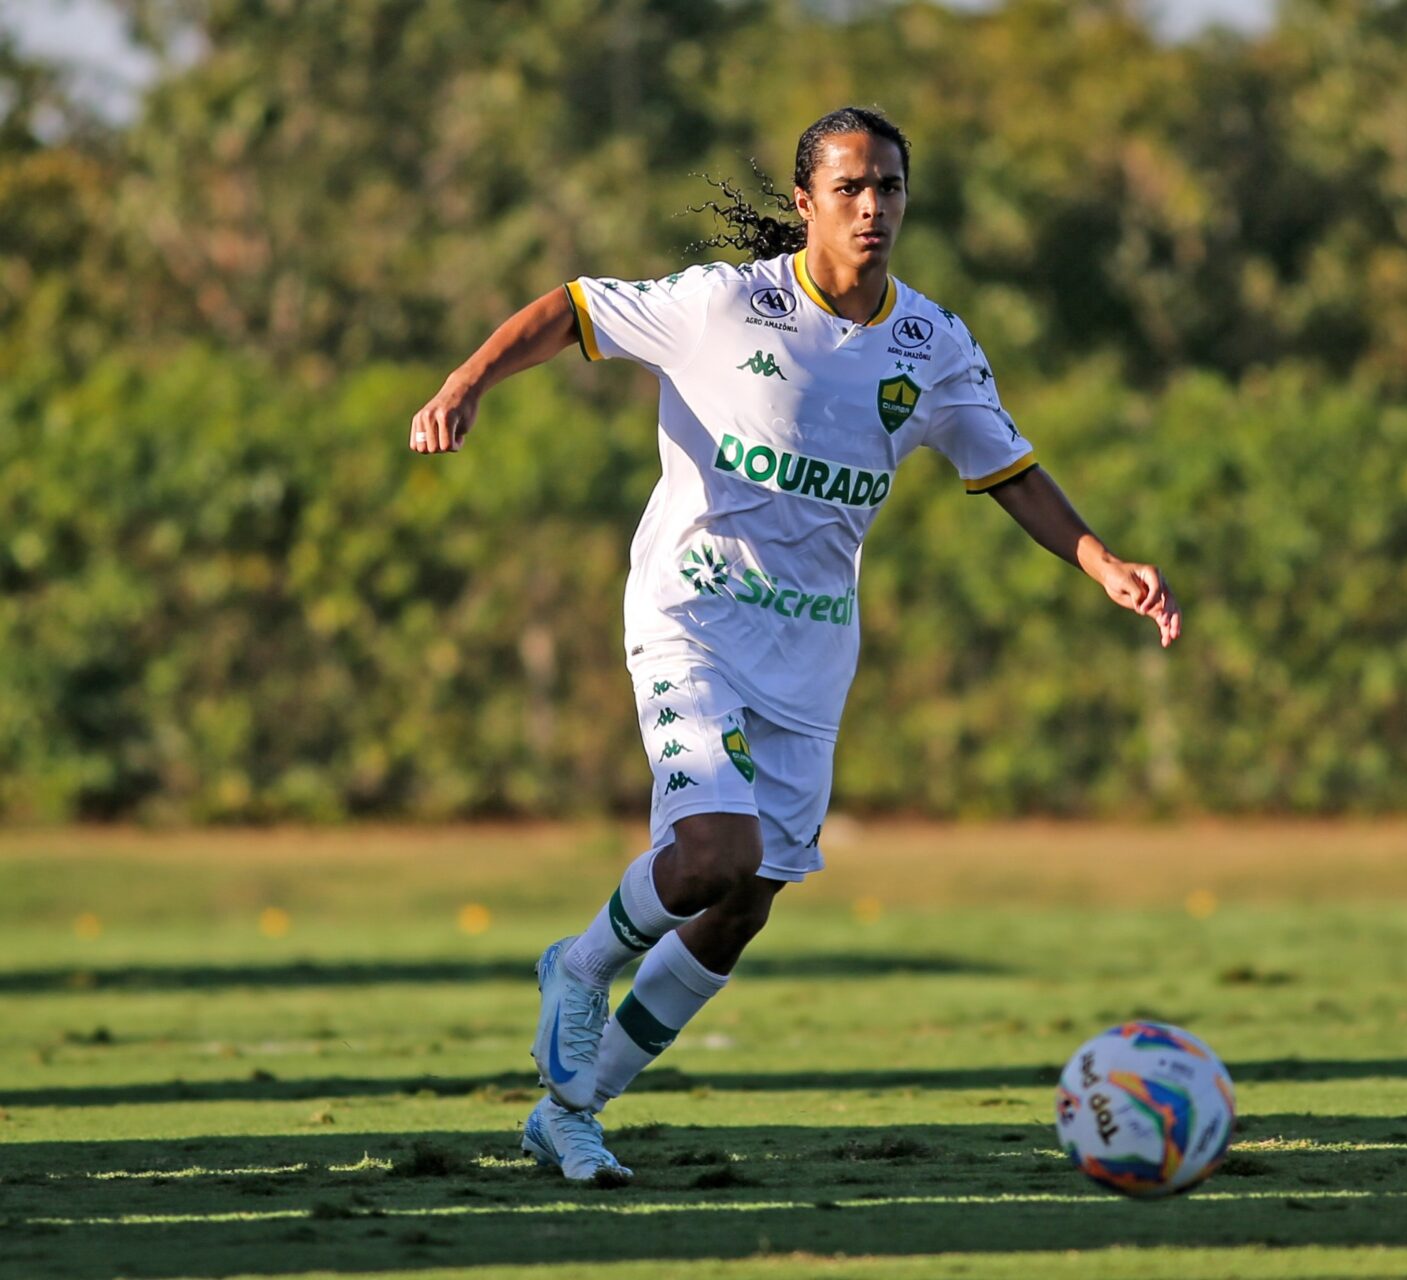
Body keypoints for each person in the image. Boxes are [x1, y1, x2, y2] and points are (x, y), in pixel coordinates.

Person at [407, 106, 1181, 1182]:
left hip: (812, 644)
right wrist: (467, 381)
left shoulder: (933, 342)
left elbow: (1006, 469)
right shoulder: (723, 304)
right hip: (692, 615)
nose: (875, 207)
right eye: (853, 187)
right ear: (807, 199)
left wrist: (1101, 559)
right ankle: (579, 966)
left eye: (893, 188)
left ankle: (574, 1108)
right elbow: (571, 307)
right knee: (711, 852)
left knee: (744, 900)